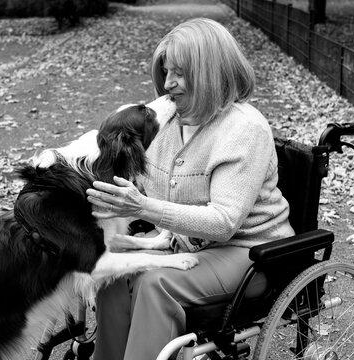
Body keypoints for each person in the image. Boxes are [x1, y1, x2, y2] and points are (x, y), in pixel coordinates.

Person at [85, 18, 295, 360]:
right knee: (112, 270)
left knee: (157, 284)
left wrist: (141, 209)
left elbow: (224, 222)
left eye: (179, 73)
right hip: (187, 245)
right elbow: (132, 170)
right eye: (166, 72)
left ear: (210, 70)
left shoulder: (244, 128)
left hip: (251, 253)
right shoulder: (169, 120)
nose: (168, 84)